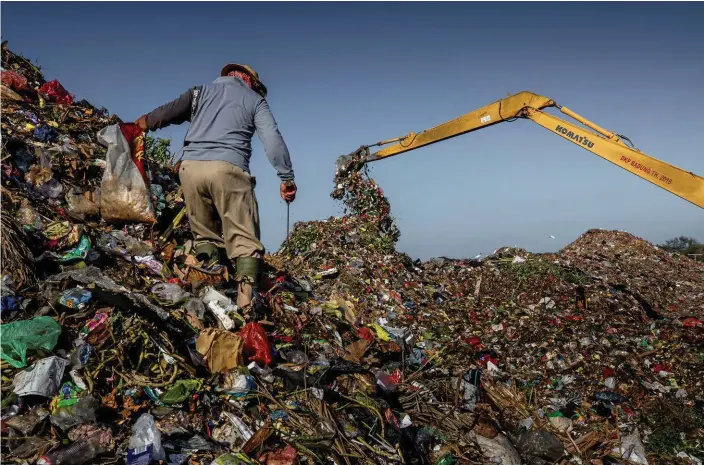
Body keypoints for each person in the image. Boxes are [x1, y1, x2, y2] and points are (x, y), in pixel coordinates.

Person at [135, 63, 296, 309]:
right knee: (244, 240)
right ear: (249, 81)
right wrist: (287, 178)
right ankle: (244, 308)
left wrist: (142, 124)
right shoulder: (255, 101)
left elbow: (165, 113)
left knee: (205, 235)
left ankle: (210, 297)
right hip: (228, 170)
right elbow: (273, 140)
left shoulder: (199, 92)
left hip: (190, 170)